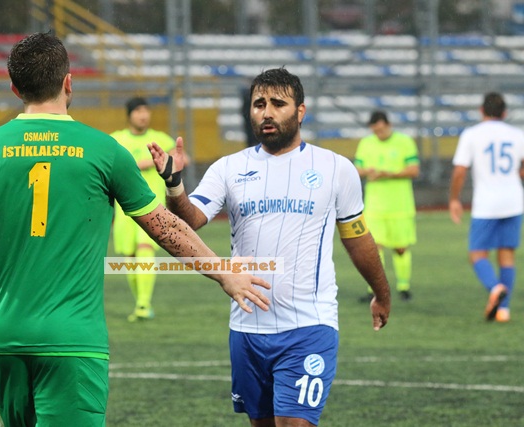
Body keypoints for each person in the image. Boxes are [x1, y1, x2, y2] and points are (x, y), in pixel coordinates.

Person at [0, 32, 270, 426]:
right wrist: (224, 273)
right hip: (72, 338)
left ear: (15, 88)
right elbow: (164, 226)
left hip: (3, 337)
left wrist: (14, 248)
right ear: (68, 83)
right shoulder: (104, 149)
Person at [149, 67, 391, 427]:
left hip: (310, 326)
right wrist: (173, 183)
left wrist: (381, 293)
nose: (267, 112)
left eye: (278, 103)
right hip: (247, 328)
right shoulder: (229, 168)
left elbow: (357, 238)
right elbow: (189, 220)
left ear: (300, 111)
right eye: (259, 104)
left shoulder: (336, 168)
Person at [449, 92, 524, 323]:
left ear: (481, 111)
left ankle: (495, 287)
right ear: (505, 113)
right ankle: (504, 310)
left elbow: (460, 171)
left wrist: (454, 199)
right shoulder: (517, 134)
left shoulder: (472, 134)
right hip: (514, 201)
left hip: (486, 203)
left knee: (477, 253)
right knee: (507, 254)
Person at [110, 97, 176, 321]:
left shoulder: (161, 139)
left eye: (146, 111)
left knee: (145, 248)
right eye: (138, 111)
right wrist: (143, 164)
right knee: (130, 257)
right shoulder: (116, 140)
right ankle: (140, 301)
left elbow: (180, 158)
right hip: (124, 208)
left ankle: (143, 304)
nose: (143, 115)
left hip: (152, 206)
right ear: (129, 114)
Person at [354, 110, 420, 302]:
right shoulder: (366, 143)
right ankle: (374, 290)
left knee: (400, 248)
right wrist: (367, 171)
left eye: (381, 130)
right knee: (374, 248)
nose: (378, 134)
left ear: (388, 125)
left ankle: (403, 286)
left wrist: (388, 174)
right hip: (375, 205)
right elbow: (357, 168)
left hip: (400, 205)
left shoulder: (404, 142)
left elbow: (414, 170)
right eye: (375, 131)